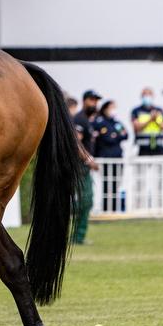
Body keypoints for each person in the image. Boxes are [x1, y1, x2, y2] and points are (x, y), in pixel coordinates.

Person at [71, 90, 100, 245]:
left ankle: (79, 236)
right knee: (85, 200)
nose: (94, 103)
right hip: (79, 166)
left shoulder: (87, 120)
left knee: (86, 201)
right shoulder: (80, 119)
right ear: (84, 101)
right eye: (91, 100)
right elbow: (76, 143)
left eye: (96, 100)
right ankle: (77, 236)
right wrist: (89, 159)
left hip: (83, 166)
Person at [132, 87, 163, 156]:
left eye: (149, 94)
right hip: (143, 147)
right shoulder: (136, 111)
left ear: (153, 96)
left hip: (158, 146)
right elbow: (136, 127)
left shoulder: (160, 110)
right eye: (145, 95)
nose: (147, 97)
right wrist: (150, 119)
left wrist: (156, 121)